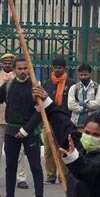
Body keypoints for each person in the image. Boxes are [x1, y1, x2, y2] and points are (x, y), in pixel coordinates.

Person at [0, 56, 44, 197]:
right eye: (19, 68)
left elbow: (40, 112)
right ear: (14, 69)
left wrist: (26, 130)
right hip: (11, 130)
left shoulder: (35, 86)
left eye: (25, 68)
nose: (23, 71)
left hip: (30, 131)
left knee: (36, 166)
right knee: (10, 165)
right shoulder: (8, 85)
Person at [43, 56, 73, 184]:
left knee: (63, 149)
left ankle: (63, 176)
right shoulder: (47, 83)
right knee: (49, 150)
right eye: (55, 67)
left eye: (60, 68)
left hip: (63, 122)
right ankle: (51, 175)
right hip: (48, 121)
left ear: (65, 69)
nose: (58, 70)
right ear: (52, 68)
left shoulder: (70, 84)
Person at [0, 53, 28, 190]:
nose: (7, 65)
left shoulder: (19, 77)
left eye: (10, 63)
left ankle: (21, 178)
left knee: (20, 152)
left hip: (16, 122)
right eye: (5, 63)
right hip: (0, 120)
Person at [67, 63, 100, 130]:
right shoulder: (73, 88)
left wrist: (83, 104)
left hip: (92, 126)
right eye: (81, 75)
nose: (83, 77)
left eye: (85, 75)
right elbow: (71, 105)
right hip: (76, 124)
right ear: (78, 74)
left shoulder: (98, 88)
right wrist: (85, 108)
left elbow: (97, 104)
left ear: (90, 74)